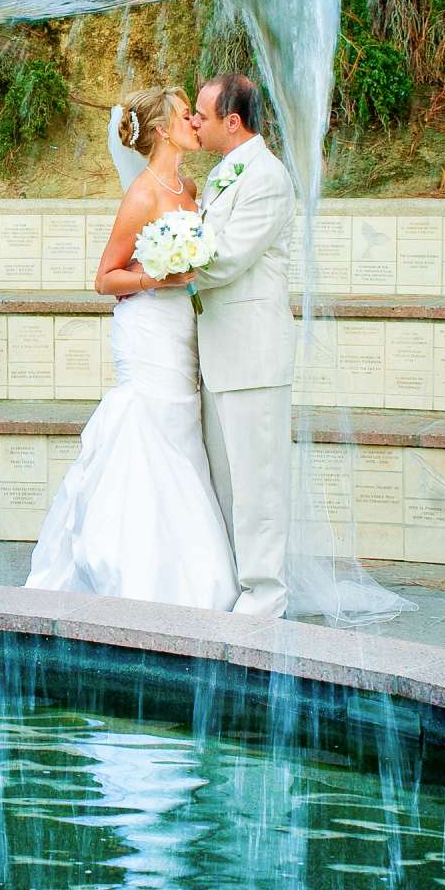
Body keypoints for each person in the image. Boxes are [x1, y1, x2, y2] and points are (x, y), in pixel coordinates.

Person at [24, 86, 236, 609]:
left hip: (182, 327)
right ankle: (130, 564)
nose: (194, 120)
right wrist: (156, 279)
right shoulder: (142, 194)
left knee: (180, 435)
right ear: (163, 130)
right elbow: (104, 278)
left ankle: (188, 565)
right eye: (185, 115)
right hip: (146, 328)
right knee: (147, 428)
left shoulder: (189, 186)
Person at [184, 71, 296, 618]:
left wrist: (163, 268)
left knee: (259, 482)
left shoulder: (266, 177)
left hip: (253, 355)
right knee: (229, 481)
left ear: (233, 121)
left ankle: (266, 593)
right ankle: (237, 583)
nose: (193, 124)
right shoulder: (224, 175)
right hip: (220, 353)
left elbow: (227, 257)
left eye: (202, 116)